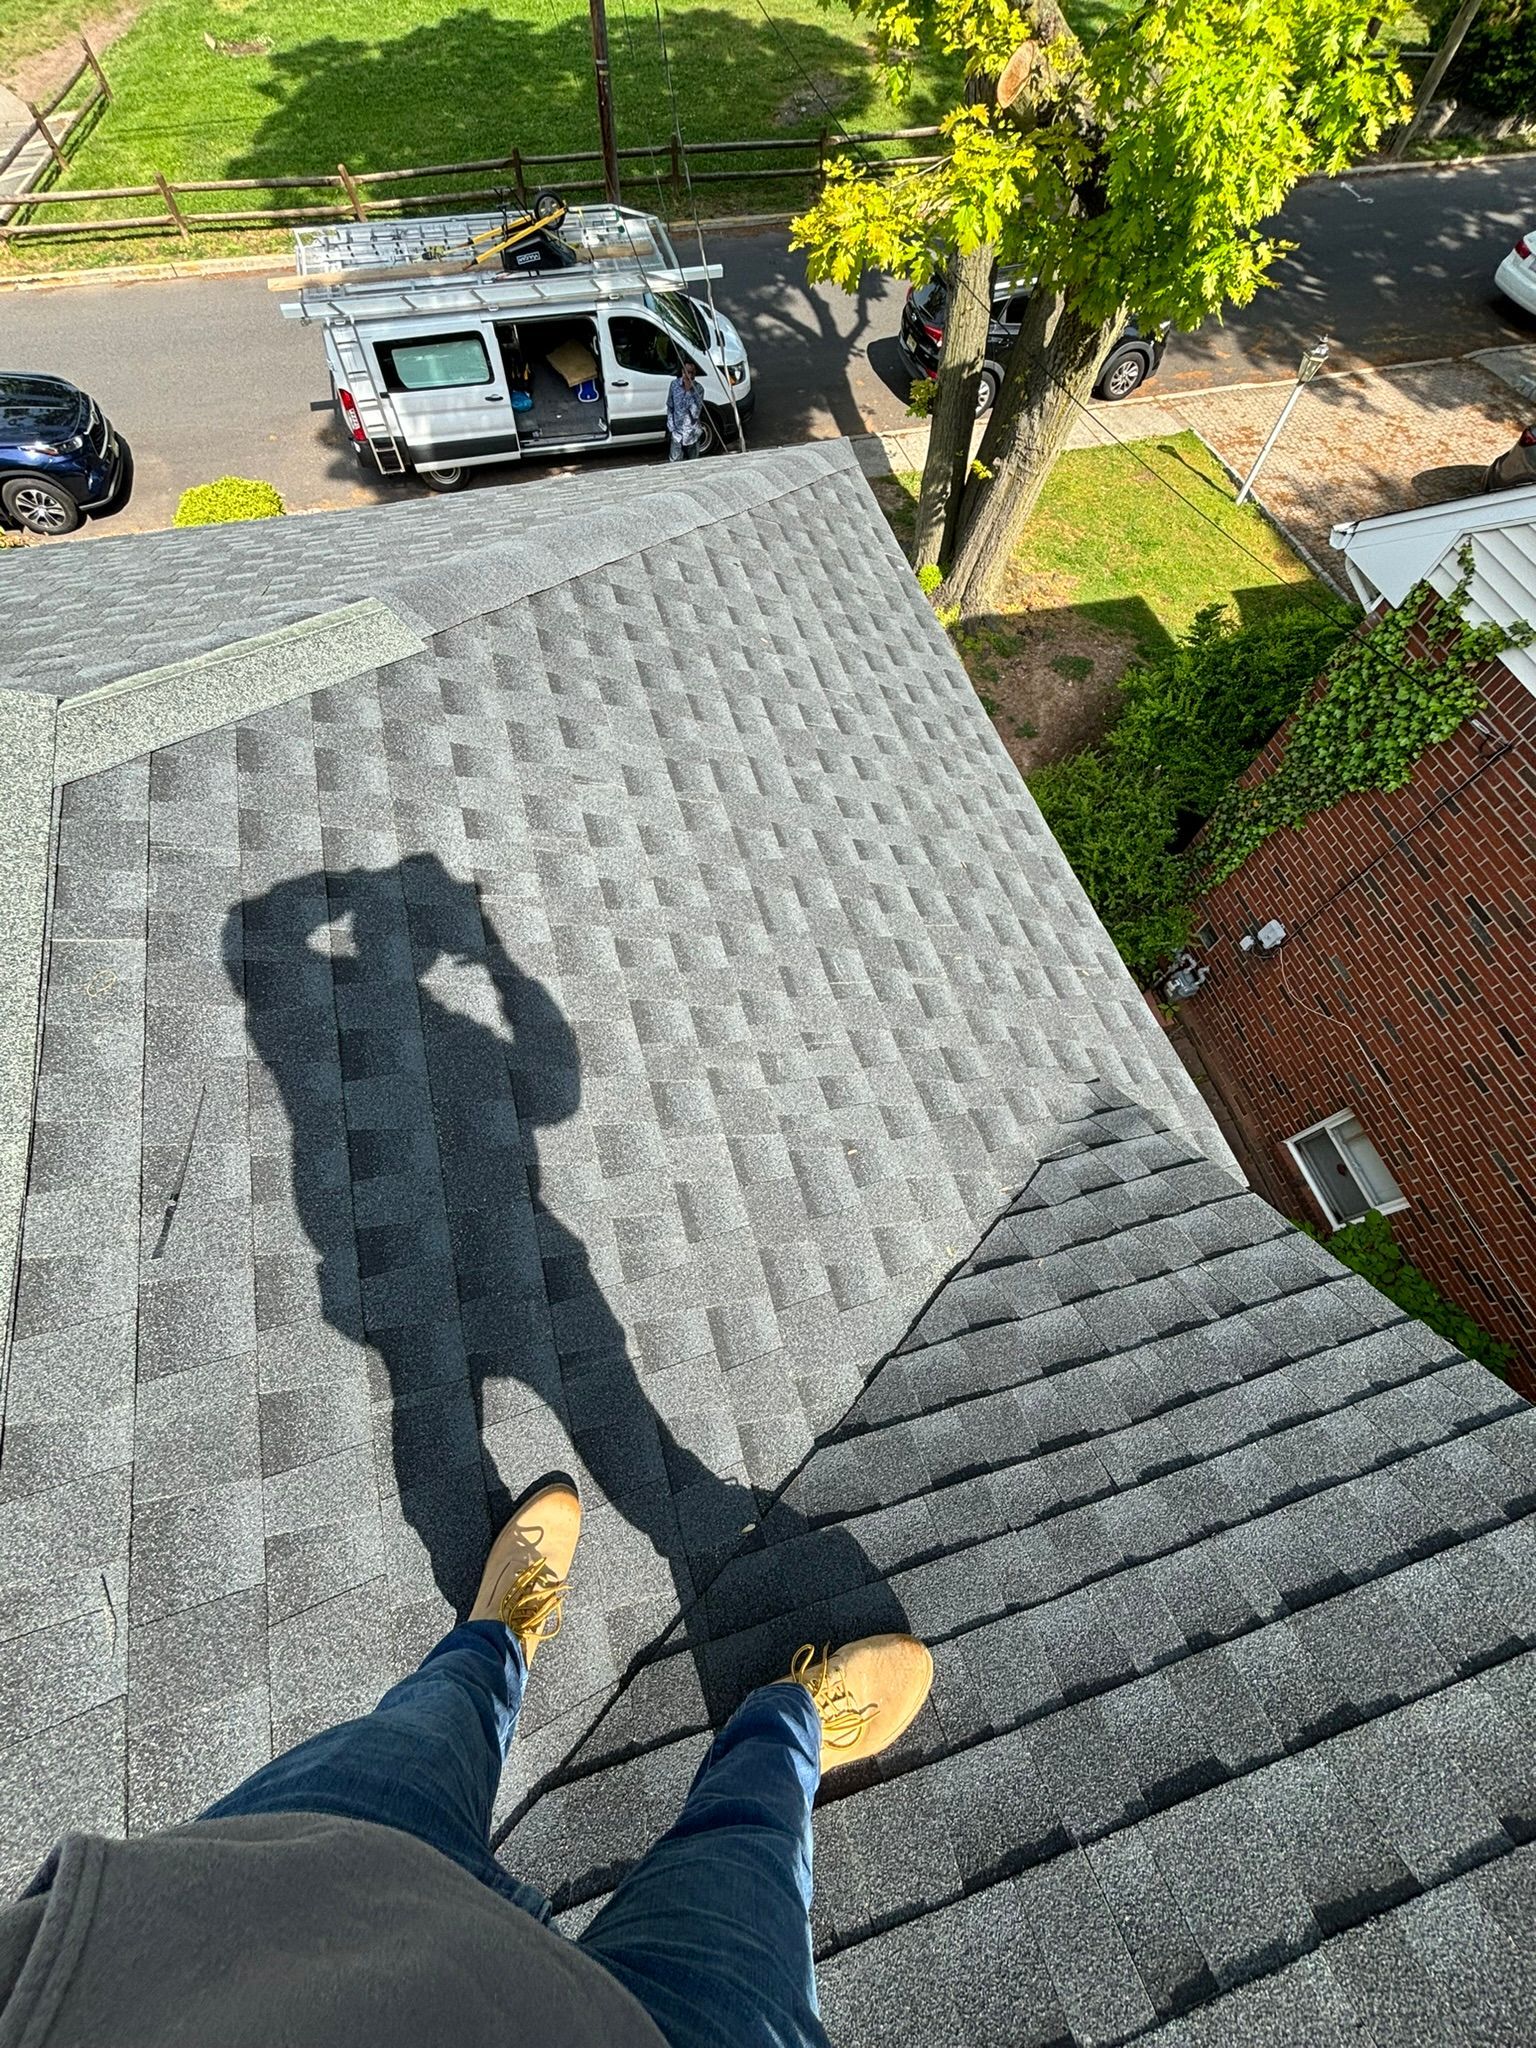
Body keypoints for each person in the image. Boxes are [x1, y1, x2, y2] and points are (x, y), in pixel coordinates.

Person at [0, 1474, 933, 2048]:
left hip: (257, 1938)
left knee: (432, 1724)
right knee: (755, 1840)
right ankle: (787, 1726)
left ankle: (495, 1639)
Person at [666, 359, 706, 461]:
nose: (689, 376)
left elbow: (695, 413)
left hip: (692, 433)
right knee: (675, 462)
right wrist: (671, 426)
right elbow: (670, 406)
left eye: (691, 373)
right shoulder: (674, 385)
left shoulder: (699, 389)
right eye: (686, 372)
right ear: (682, 372)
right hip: (677, 433)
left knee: (693, 462)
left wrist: (689, 392)